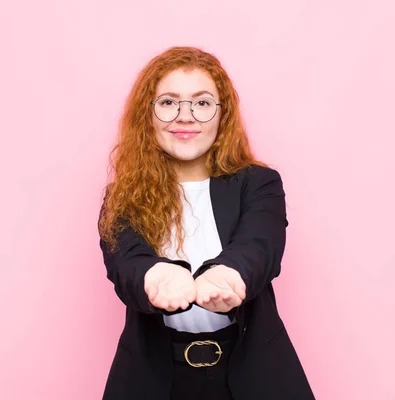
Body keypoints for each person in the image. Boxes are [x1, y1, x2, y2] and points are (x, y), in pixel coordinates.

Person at [98, 46, 315, 400]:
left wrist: (228, 275)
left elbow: (260, 245)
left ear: (221, 114)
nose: (186, 116)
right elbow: (126, 261)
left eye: (201, 103)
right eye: (168, 102)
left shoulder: (259, 183)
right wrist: (157, 276)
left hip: (253, 374)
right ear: (147, 114)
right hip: (153, 378)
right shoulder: (122, 196)